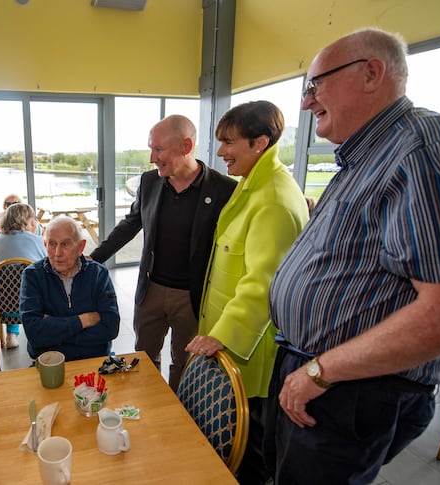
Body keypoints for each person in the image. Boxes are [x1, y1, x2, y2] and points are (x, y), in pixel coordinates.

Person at [263, 28, 440, 484]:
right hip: (323, 374)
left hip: (349, 387)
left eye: (315, 84)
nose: (306, 101)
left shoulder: (427, 148)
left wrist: (319, 372)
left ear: (371, 73)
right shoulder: (371, 154)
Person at [185, 100, 309, 485]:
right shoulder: (254, 184)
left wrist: (222, 336)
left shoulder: (272, 200)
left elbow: (263, 284)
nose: (220, 151)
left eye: (229, 142)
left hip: (251, 350)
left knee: (250, 449)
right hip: (234, 341)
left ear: (260, 142)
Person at [90, 114, 236, 390]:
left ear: (186, 146)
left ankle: (180, 417)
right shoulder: (149, 183)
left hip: (193, 297)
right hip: (151, 291)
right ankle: (147, 407)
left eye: (158, 149)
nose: (151, 157)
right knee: (143, 357)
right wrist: (92, 259)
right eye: (151, 148)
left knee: (186, 362)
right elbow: (129, 226)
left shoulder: (224, 190)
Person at [20, 216, 120, 361]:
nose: (57, 253)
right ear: (45, 245)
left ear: (80, 247)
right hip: (50, 364)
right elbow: (34, 334)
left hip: (94, 360)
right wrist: (83, 320)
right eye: (52, 244)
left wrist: (54, 333)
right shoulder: (32, 275)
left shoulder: (98, 274)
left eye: (65, 244)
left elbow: (110, 327)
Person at [0, 202, 47, 349]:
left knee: (10, 282)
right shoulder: (39, 241)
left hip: (3, 302)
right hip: (34, 302)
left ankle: (11, 334)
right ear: (26, 221)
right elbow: (48, 266)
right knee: (29, 281)